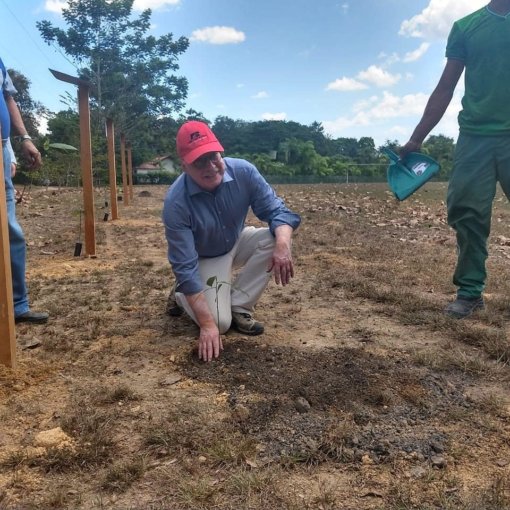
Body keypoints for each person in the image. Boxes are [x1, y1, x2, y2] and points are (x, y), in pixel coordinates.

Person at [400, 0, 510, 319]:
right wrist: (417, 137)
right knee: (467, 213)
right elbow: (445, 88)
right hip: (475, 137)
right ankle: (470, 292)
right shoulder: (466, 27)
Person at [163, 120, 301, 361]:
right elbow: (185, 265)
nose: (210, 166)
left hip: (235, 241)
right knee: (219, 323)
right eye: (199, 161)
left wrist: (283, 246)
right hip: (203, 258)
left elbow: (278, 212)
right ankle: (181, 293)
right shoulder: (176, 203)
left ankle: (240, 305)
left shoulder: (244, 172)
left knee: (274, 238)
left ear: (221, 151)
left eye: (213, 156)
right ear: (184, 166)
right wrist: (207, 325)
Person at [1, 56, 48, 324]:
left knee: (10, 231)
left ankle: (18, 305)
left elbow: (7, 99)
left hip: (2, 149)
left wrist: (22, 140)